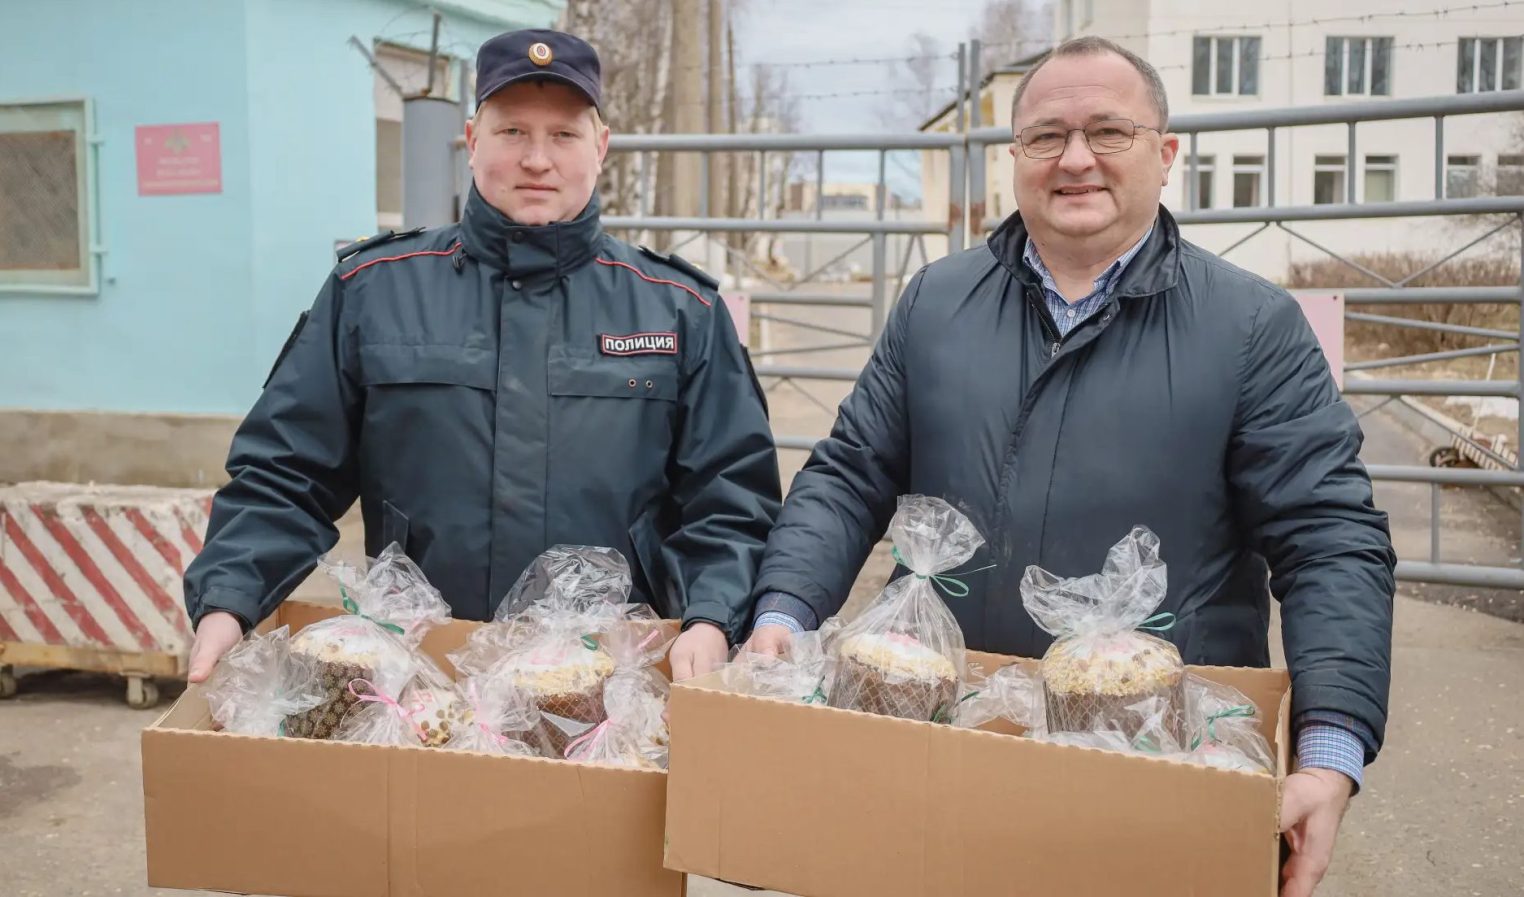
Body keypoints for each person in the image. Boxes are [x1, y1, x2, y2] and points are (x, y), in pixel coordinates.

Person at [746, 36, 1393, 897]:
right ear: (1015, 159)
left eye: (1109, 132)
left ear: (1165, 156)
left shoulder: (1252, 329)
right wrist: (782, 612)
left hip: (1158, 762)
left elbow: (1330, 538)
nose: (1076, 158)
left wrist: (1330, 747)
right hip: (943, 734)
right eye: (1046, 136)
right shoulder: (937, 304)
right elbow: (849, 472)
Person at [183, 28, 780, 684]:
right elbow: (286, 473)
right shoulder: (374, 292)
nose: (537, 158)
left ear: (601, 148)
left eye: (563, 135)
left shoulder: (678, 310)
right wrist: (231, 601)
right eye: (512, 132)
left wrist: (712, 615)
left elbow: (730, 498)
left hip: (615, 685)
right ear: (472, 141)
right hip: (422, 675)